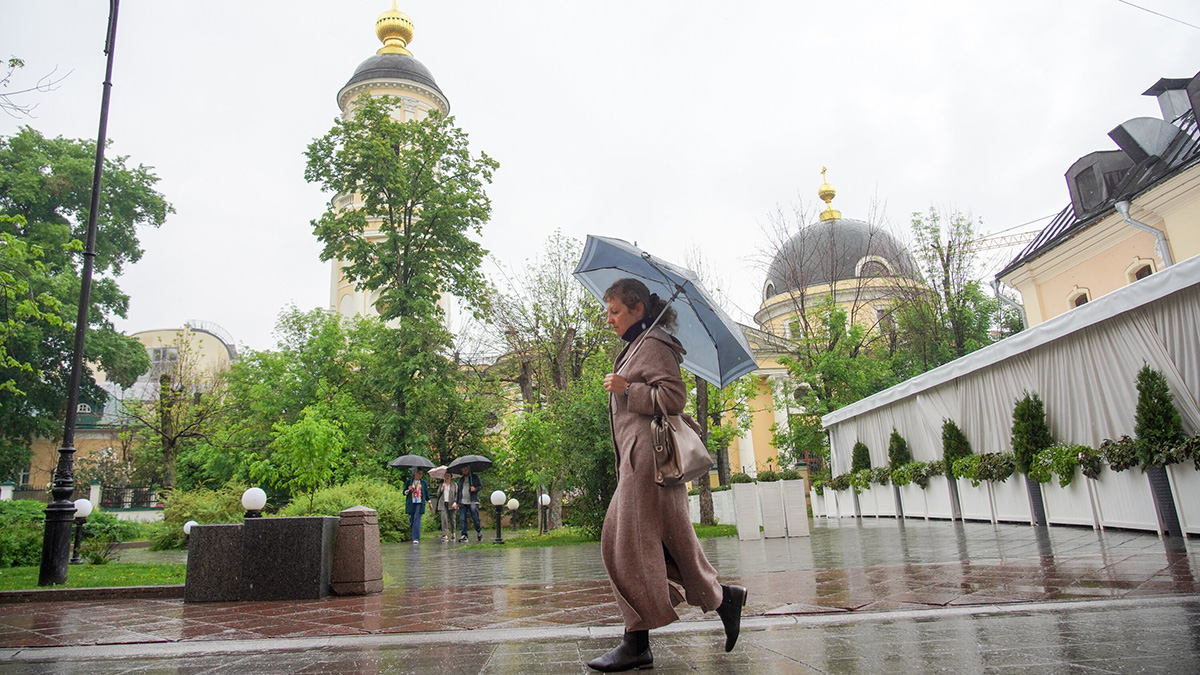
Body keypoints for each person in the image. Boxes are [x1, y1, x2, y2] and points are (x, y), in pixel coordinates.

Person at [588, 278, 746, 673]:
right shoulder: (636, 345)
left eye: (615, 311)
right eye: (608, 311)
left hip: (650, 464)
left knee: (623, 547)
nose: (609, 319)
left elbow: (673, 398)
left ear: (638, 308)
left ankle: (636, 642)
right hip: (637, 463)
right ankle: (722, 598)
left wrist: (628, 390)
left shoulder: (655, 344)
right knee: (663, 545)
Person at [456, 465, 483, 542]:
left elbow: (481, 486)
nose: (464, 470)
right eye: (462, 469)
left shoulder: (475, 477)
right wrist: (457, 502)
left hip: (473, 501)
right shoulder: (461, 480)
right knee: (462, 519)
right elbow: (459, 492)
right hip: (462, 502)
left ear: (468, 469)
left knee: (475, 518)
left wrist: (475, 489)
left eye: (465, 469)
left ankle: (478, 531)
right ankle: (464, 535)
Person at [403, 468, 429, 544]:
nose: (420, 475)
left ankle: (416, 538)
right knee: (412, 520)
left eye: (421, 474)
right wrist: (408, 490)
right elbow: (404, 492)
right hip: (411, 503)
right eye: (419, 473)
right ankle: (414, 535)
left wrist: (429, 501)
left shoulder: (423, 482)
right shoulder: (409, 482)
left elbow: (426, 493)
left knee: (417, 519)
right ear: (415, 474)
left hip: (419, 502)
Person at [439, 472, 456, 542]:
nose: (447, 477)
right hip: (443, 503)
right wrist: (441, 489)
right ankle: (445, 535)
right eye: (446, 475)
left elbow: (457, 494)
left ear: (451, 477)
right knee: (444, 519)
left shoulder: (454, 485)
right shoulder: (442, 484)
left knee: (452, 519)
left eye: (448, 475)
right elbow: (438, 494)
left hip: (451, 503)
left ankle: (453, 533)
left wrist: (455, 502)